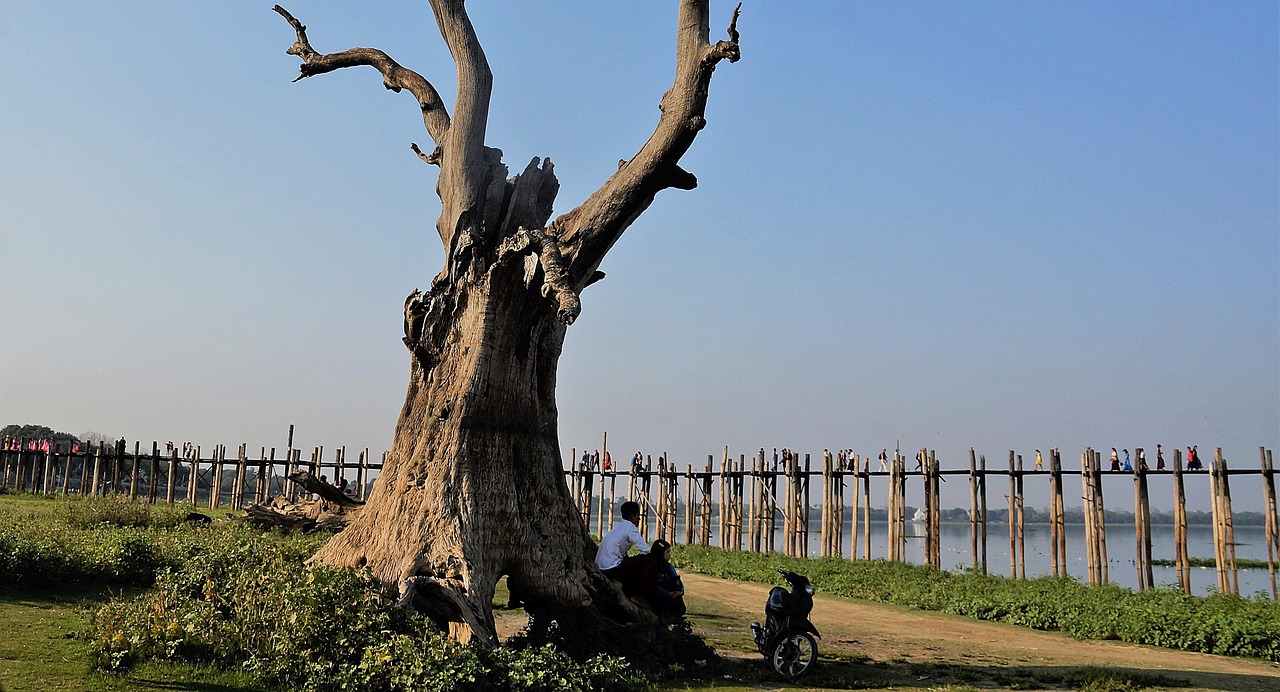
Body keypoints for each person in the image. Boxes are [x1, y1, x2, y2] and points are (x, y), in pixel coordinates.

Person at [595, 501, 650, 586]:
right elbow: (646, 550)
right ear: (632, 517)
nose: (639, 519)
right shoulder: (630, 527)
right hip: (611, 568)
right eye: (638, 515)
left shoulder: (619, 526)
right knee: (650, 559)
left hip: (600, 567)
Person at [647, 539, 686, 625]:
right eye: (667, 552)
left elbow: (677, 580)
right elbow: (652, 584)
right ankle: (662, 614)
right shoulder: (651, 565)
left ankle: (670, 614)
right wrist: (666, 593)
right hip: (657, 595)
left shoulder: (668, 567)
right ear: (661, 553)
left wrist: (681, 591)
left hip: (670, 595)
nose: (669, 555)